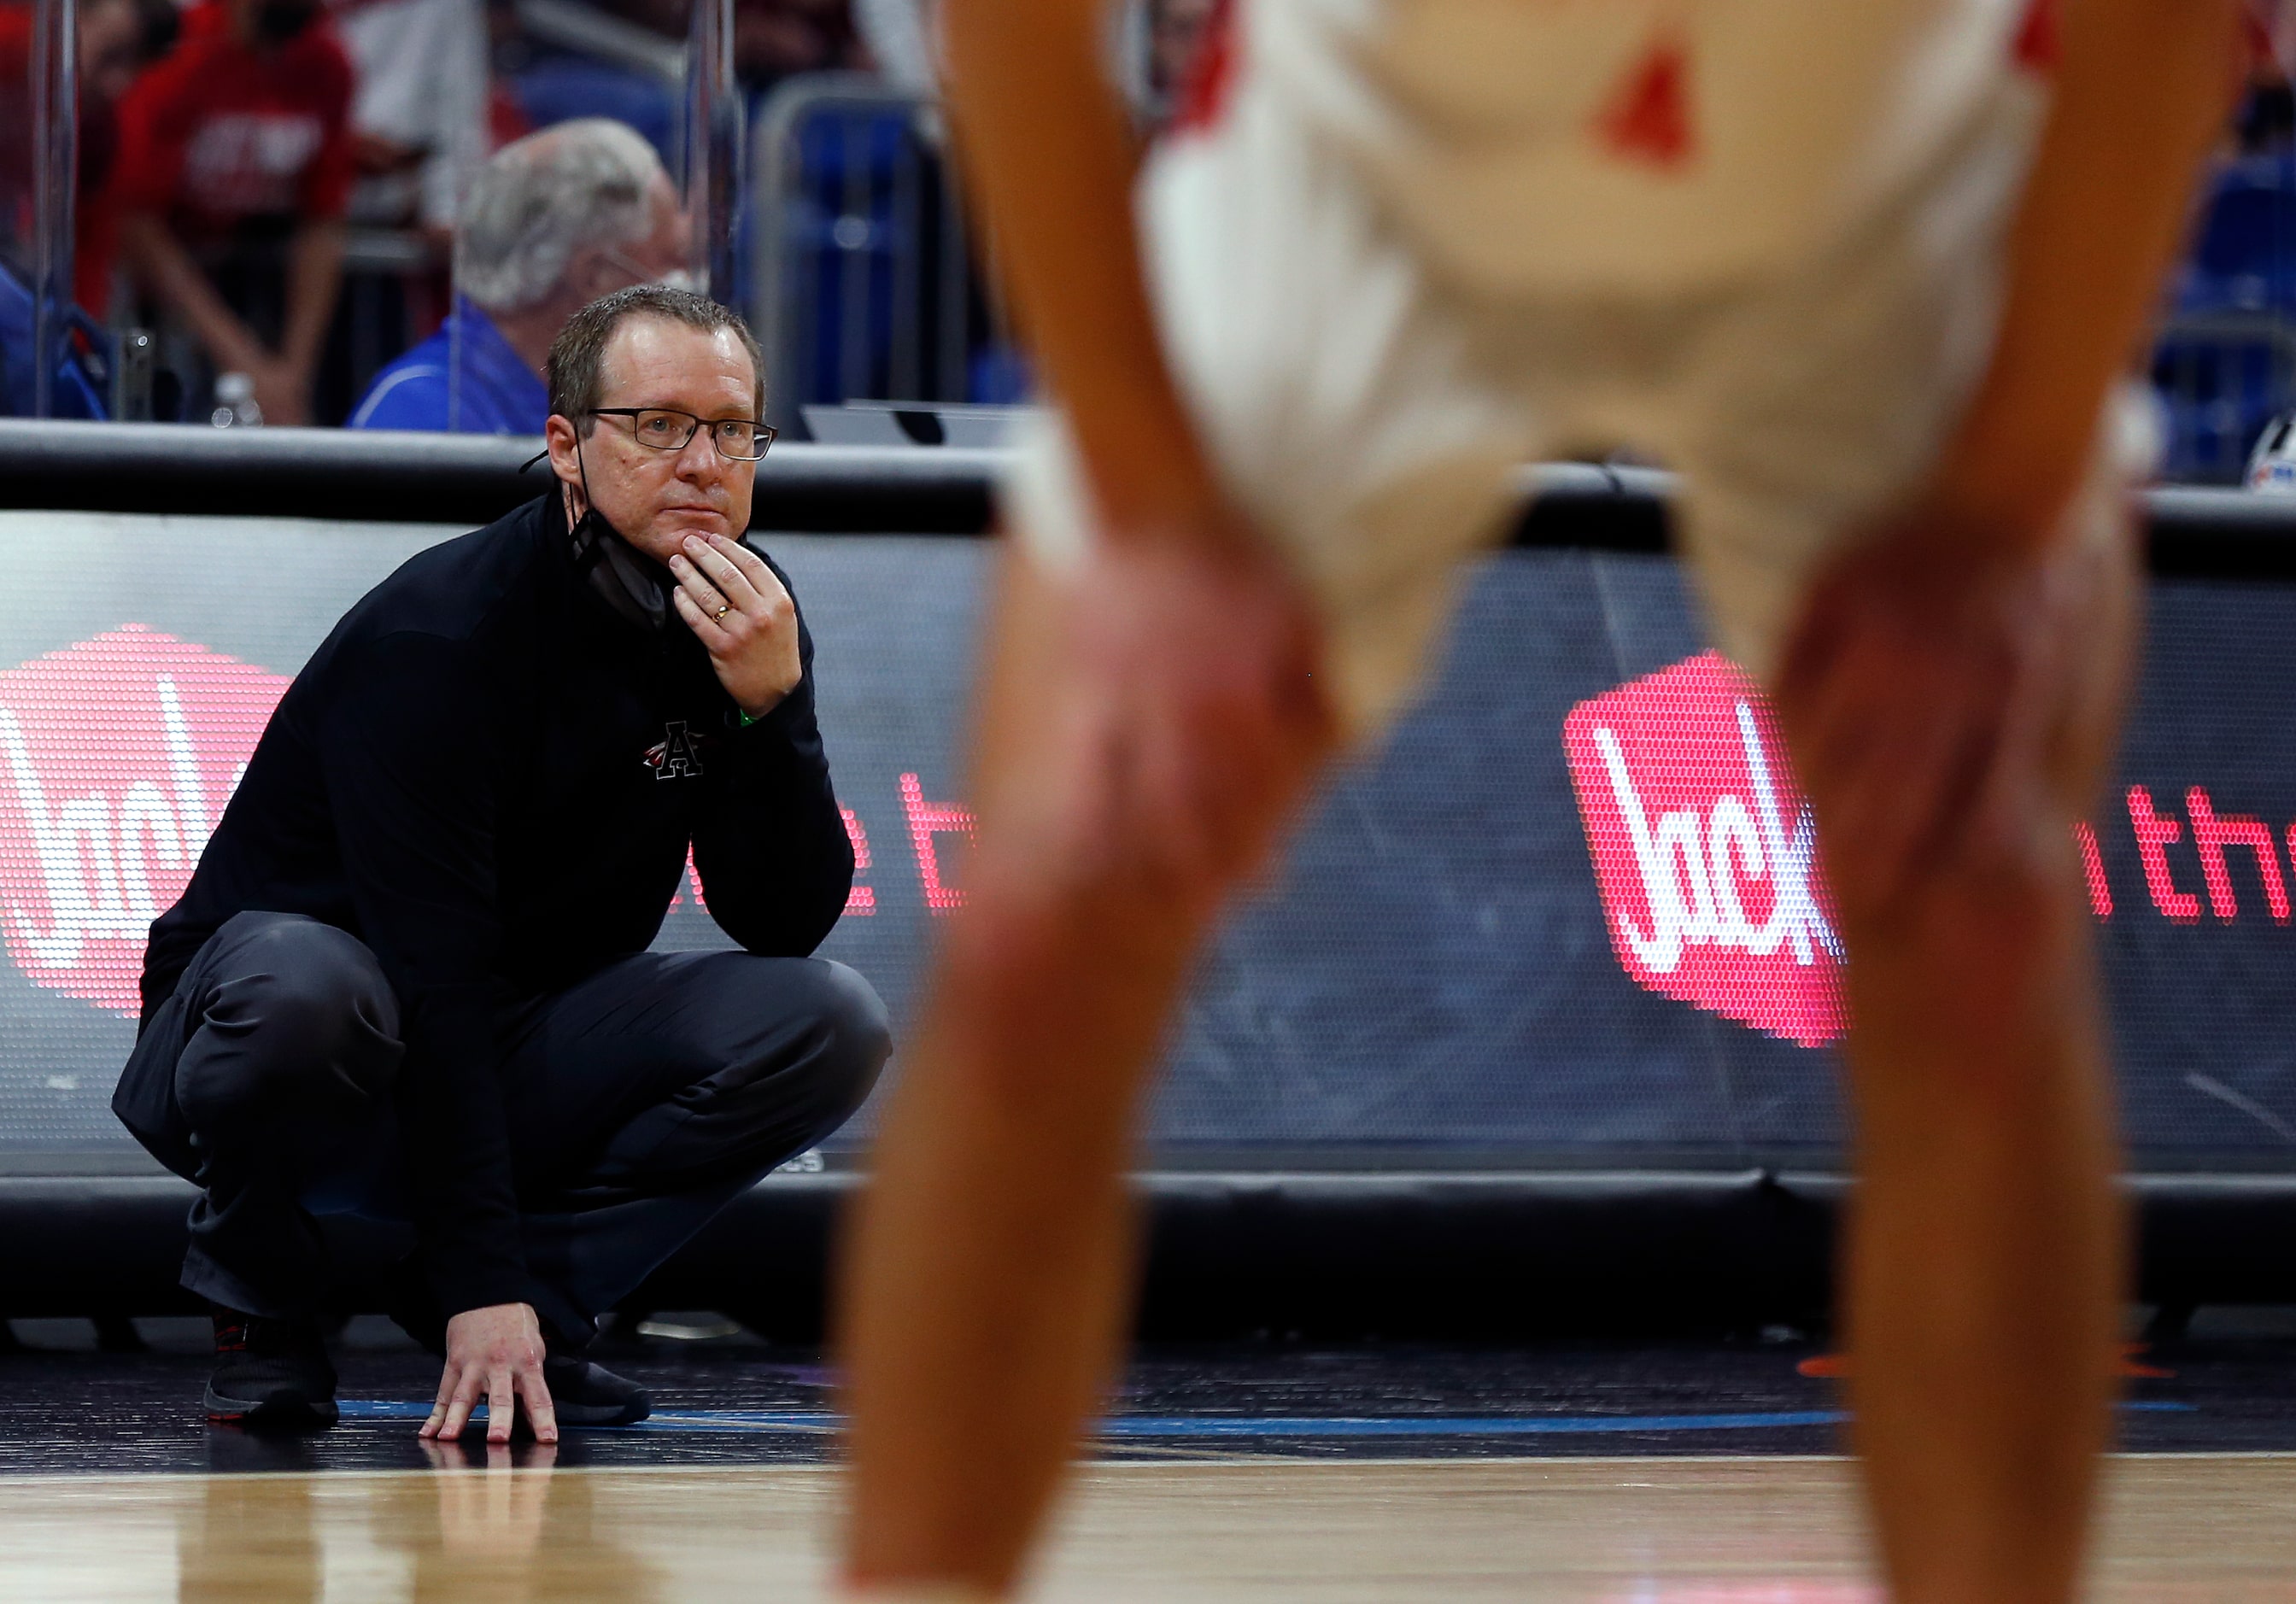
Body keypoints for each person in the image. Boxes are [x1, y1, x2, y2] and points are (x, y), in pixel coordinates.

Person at [835, 0, 2243, 1600]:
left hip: (1870, 169)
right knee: (1055, 891)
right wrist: (1158, 508)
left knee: (1974, 903)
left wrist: (1995, 512)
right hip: (1371, 162)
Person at [114, 284, 890, 1439]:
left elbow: (782, 921)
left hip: (515, 1025)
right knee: (310, 987)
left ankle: (532, 1306)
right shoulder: (442, 636)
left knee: (827, 1019)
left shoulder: (742, 621)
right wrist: (487, 1275)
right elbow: (435, 974)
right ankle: (263, 1305)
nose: (702, 461)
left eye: (732, 430)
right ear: (567, 447)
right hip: (287, 1033)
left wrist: (772, 711)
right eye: (659, 424)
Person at [349, 119, 687, 434]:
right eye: (670, 261)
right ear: (594, 276)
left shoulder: (581, 401)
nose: (685, 284)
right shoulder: (420, 415)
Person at [108, 0, 355, 425]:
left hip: (252, 284)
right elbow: (134, 218)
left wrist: (293, 373)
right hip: (156, 296)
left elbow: (323, 222)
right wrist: (242, 359)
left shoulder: (328, 63)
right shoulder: (182, 52)